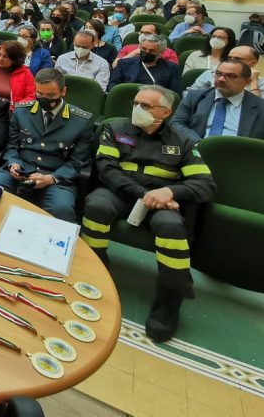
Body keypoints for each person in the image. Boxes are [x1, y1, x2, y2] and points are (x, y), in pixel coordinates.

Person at [81, 86, 214, 342]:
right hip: (120, 192)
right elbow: (107, 170)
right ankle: (94, 273)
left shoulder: (183, 142)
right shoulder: (116, 128)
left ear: (165, 112)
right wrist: (143, 194)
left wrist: (170, 192)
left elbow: (205, 184)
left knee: (172, 227)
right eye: (136, 103)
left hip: (160, 203)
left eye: (145, 106)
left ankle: (169, 301)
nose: (137, 109)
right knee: (96, 205)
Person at [0, 69, 95, 222]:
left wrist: (51, 178)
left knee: (61, 209)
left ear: (63, 91)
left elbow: (77, 162)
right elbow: (11, 147)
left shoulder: (81, 121)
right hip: (20, 172)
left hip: (56, 178)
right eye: (40, 94)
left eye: (50, 95)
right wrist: (13, 163)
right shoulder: (22, 111)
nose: (44, 99)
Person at [170, 60, 264, 146]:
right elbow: (176, 123)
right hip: (196, 153)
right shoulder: (195, 96)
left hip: (241, 161)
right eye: (218, 74)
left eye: (230, 76)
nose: (221, 79)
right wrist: (199, 143)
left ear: (247, 81)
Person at [186, 45, 264, 102]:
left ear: (252, 63)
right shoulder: (212, 73)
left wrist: (254, 82)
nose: (231, 62)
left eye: (237, 59)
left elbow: (260, 112)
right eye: (229, 58)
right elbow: (189, 95)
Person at [108, 35, 183, 93]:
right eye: (143, 49)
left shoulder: (172, 68)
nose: (146, 52)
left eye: (151, 50)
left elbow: (175, 93)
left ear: (161, 53)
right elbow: (112, 85)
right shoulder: (124, 64)